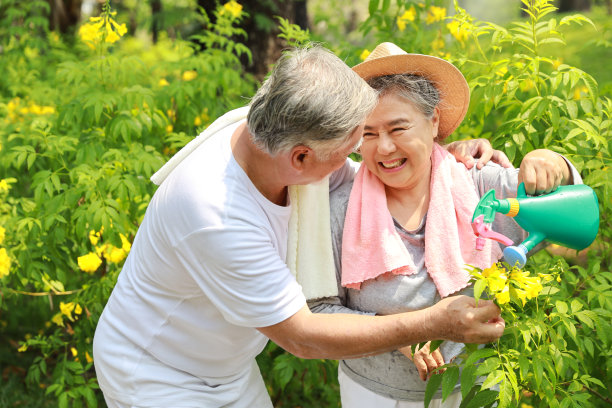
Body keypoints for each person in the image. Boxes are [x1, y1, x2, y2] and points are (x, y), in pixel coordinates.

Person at [93, 44, 509, 408]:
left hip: (228, 364)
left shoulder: (277, 128)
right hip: (157, 371)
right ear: (301, 160)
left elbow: (386, 168)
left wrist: (447, 155)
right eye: (354, 144)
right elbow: (303, 336)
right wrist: (432, 323)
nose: (362, 156)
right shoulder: (215, 214)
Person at [308, 42, 581, 408]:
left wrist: (554, 164)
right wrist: (403, 335)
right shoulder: (340, 209)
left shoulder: (478, 185)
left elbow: (575, 213)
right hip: (374, 393)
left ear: (433, 121)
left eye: (397, 128)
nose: (384, 148)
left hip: (478, 388)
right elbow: (320, 312)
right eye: (368, 134)